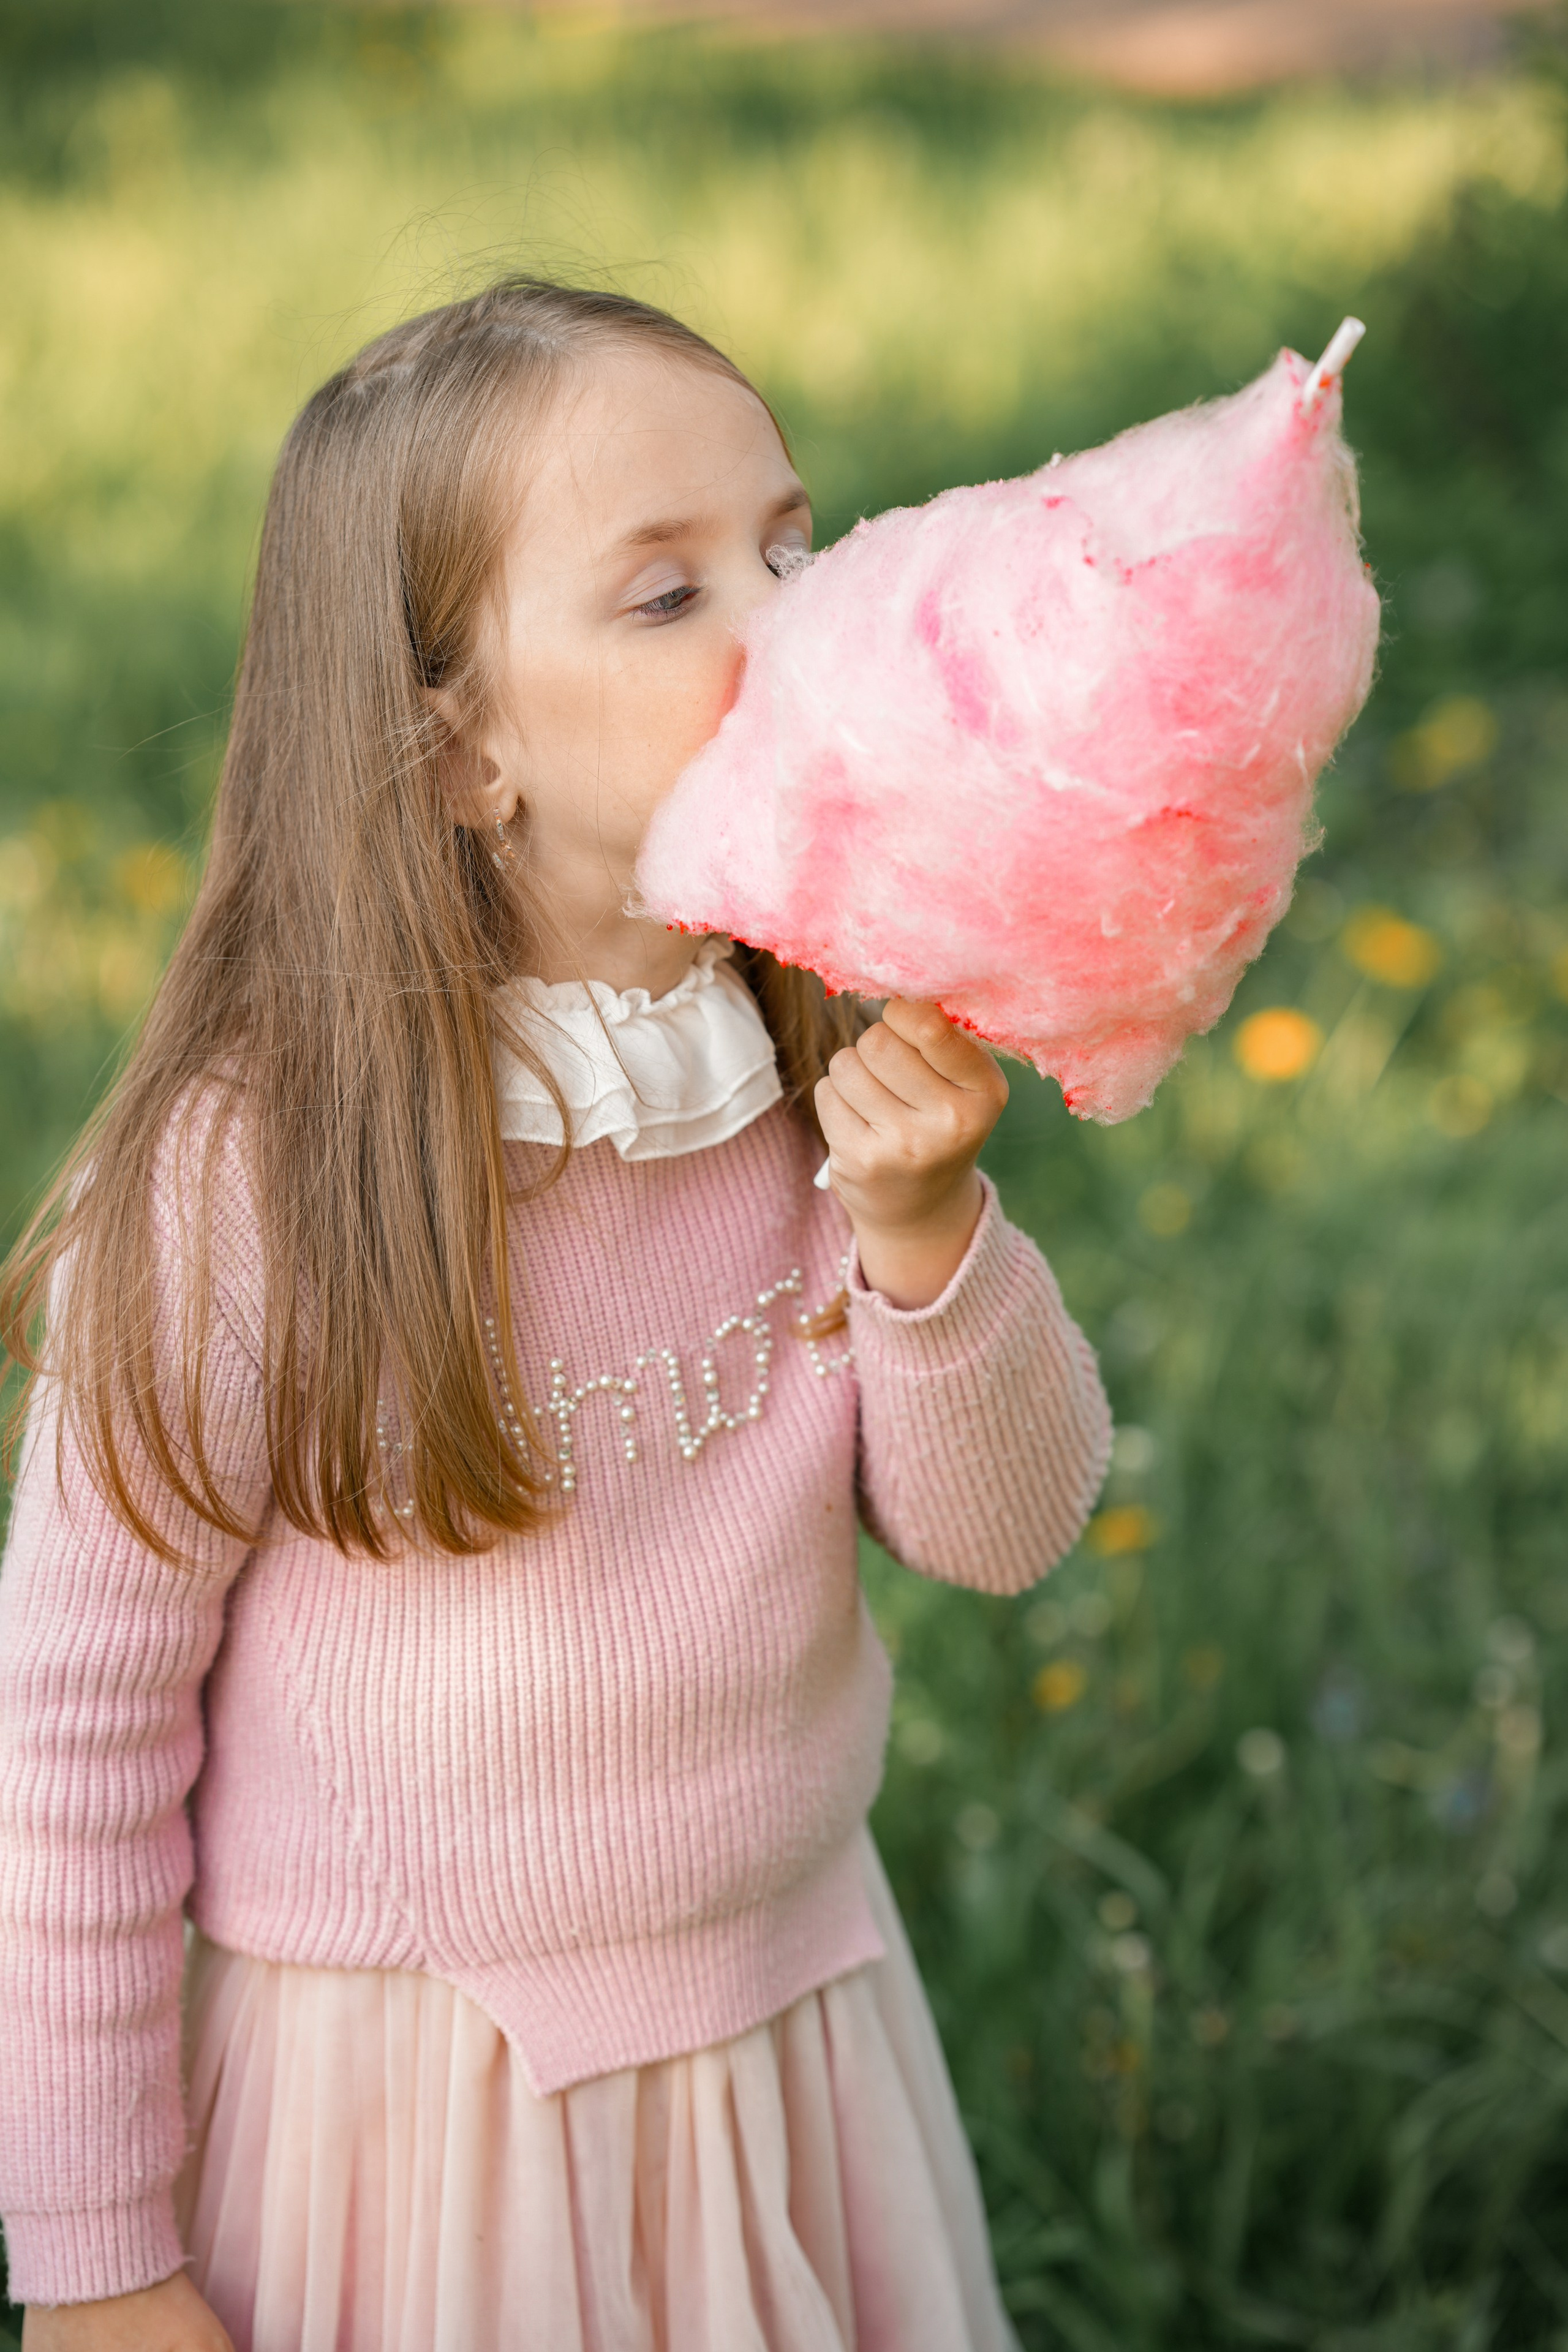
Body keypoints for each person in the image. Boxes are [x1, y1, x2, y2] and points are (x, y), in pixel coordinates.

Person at [0, 279, 1110, 2352]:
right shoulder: (251, 1177)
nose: (788, 619)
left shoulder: (804, 1055)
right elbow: (73, 1737)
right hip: (422, 2110)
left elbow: (1005, 1528)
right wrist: (95, 2263)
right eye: (668, 595)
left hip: (788, 2029)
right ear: (457, 751)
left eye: (792, 544)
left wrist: (930, 1229)